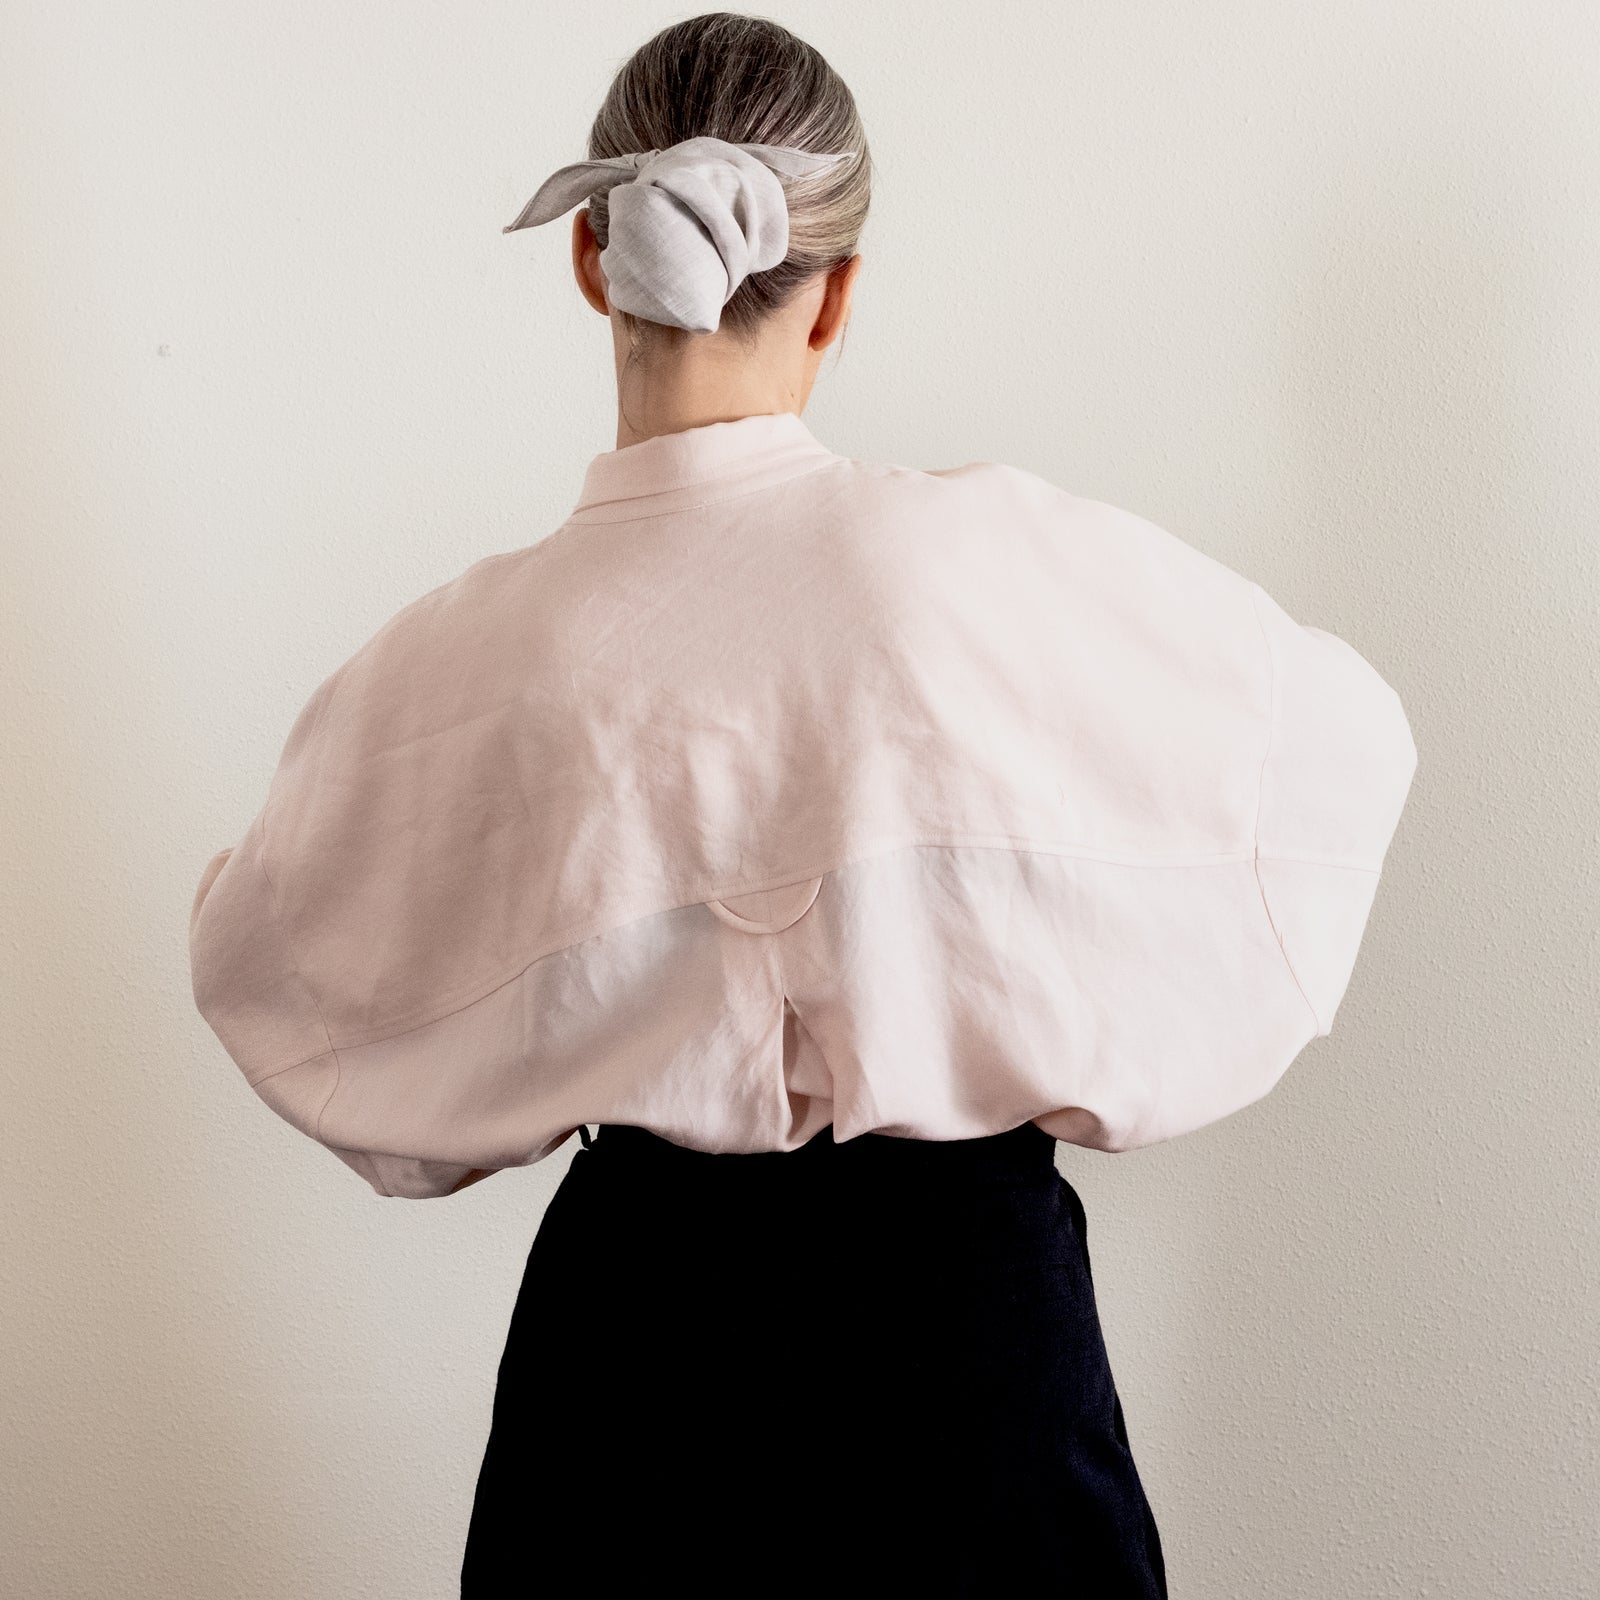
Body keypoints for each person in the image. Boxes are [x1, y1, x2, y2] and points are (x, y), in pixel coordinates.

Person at [187, 13, 1418, 1597]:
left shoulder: (470, 655)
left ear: (592, 260)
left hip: (630, 1365)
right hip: (969, 1343)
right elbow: (1332, 747)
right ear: (835, 292)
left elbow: (259, 962)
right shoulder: (978, 567)